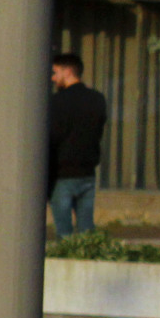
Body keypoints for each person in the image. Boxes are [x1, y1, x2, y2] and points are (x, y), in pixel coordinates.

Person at [48, 53, 107, 239]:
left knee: (64, 231)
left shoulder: (56, 102)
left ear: (68, 71)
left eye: (55, 72)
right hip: (87, 172)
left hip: (62, 174)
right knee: (86, 229)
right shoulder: (97, 99)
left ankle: (67, 260)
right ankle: (88, 260)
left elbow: (52, 136)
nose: (53, 78)